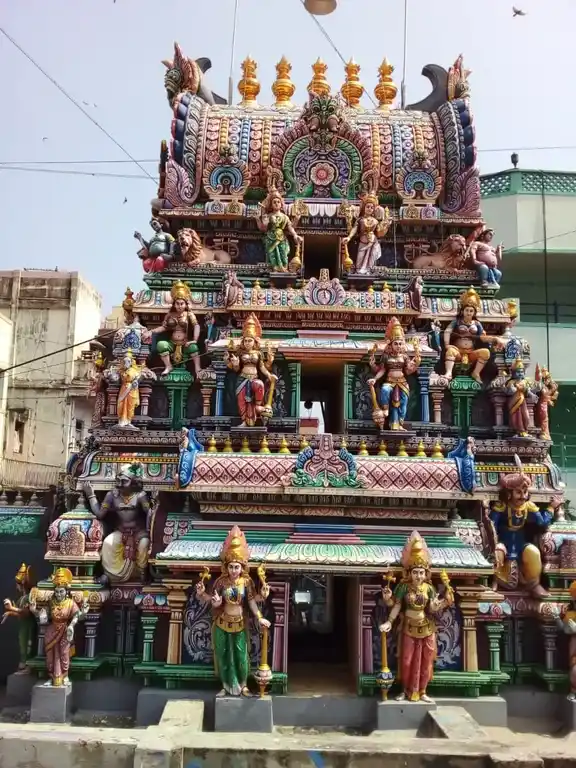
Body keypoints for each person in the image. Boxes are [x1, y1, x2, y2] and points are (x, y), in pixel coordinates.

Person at [195, 526, 270, 696]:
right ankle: (226, 685)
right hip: (222, 623)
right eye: (231, 567)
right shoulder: (221, 582)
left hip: (240, 624)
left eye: (237, 567)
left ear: (242, 567)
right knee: (224, 656)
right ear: (226, 567)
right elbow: (214, 602)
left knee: (241, 655)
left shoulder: (246, 582)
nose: (234, 571)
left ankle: (243, 686)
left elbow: (251, 601)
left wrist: (259, 614)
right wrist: (205, 596)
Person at [380, 532, 453, 703]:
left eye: (421, 572)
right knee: (406, 662)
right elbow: (396, 605)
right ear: (410, 573)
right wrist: (389, 620)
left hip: (427, 628)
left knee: (425, 662)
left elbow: (433, 607)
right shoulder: (403, 588)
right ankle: (405, 691)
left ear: (425, 573)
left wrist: (444, 602)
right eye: (415, 573)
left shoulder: (429, 588)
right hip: (408, 628)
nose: (418, 576)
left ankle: (422, 691)